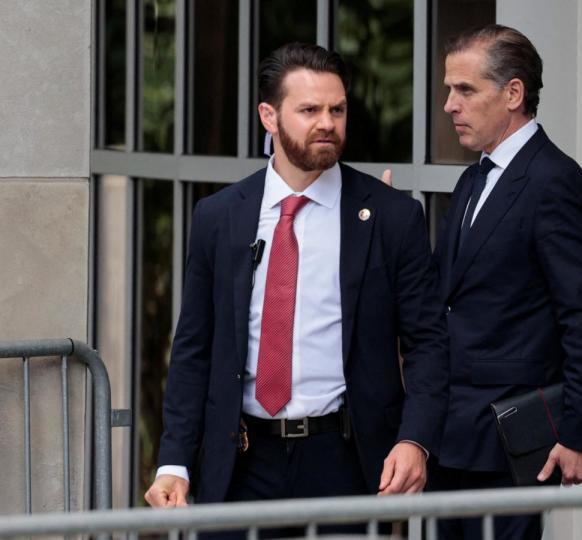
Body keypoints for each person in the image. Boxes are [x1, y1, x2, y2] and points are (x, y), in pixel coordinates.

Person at [143, 42, 448, 534]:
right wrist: (174, 461)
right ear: (269, 115)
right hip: (242, 462)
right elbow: (194, 349)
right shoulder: (219, 217)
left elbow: (429, 343)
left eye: (337, 109)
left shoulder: (391, 217)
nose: (327, 122)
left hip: (346, 458)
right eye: (309, 110)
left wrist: (415, 440)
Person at [432, 24, 582, 540]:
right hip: (455, 433)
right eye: (449, 89)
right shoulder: (474, 178)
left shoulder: (555, 180)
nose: (449, 104)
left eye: (465, 90)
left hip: (513, 437)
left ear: (513, 93)